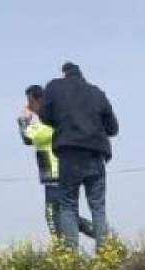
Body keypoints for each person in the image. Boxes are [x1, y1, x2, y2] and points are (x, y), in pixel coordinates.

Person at [40, 62, 118, 252]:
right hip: (95, 154)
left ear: (64, 74)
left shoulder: (54, 87)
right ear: (82, 75)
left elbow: (44, 116)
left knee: (68, 205)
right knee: (98, 206)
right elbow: (113, 128)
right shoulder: (97, 92)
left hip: (69, 153)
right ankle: (105, 255)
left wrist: (62, 123)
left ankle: (71, 257)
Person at [17, 85, 95, 241]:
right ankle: (102, 235)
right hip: (61, 175)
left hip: (54, 177)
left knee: (53, 215)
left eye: (30, 101)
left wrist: (24, 118)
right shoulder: (54, 122)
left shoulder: (47, 126)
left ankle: (64, 252)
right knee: (66, 214)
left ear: (38, 101)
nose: (28, 106)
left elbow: (27, 137)